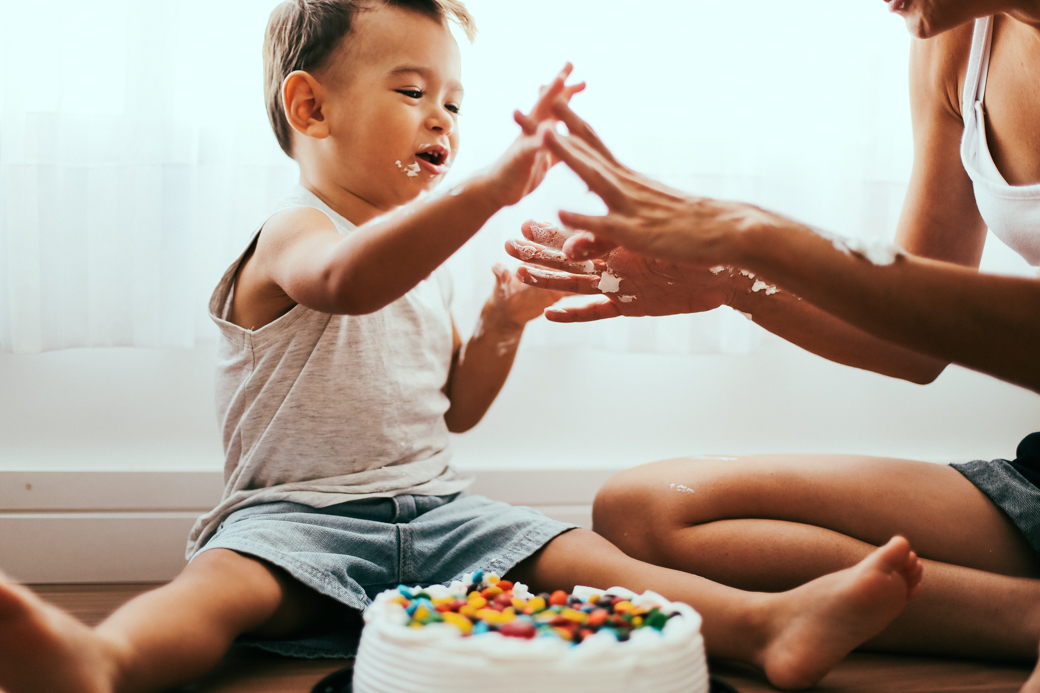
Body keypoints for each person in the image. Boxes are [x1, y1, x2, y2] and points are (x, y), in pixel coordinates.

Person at [0, 2, 928, 692]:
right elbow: (347, 281)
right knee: (222, 591)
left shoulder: (428, 263)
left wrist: (501, 322)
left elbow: (455, 407)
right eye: (412, 92)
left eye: (453, 100)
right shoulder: (293, 231)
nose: (443, 118)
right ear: (310, 108)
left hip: (439, 515)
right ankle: (104, 657)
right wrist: (482, 193)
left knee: (585, 558)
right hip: (294, 517)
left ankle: (769, 623)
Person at [505, 0, 1040, 687]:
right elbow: (912, 343)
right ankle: (1026, 615)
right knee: (644, 510)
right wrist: (734, 278)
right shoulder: (956, 41)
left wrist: (753, 233)